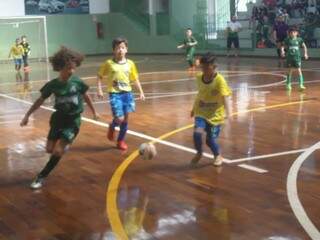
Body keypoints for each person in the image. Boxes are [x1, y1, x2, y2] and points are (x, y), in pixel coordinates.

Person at [20, 47, 99, 189]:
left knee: (57, 151)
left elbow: (86, 96)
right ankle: (64, 145)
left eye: (74, 68)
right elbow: (39, 100)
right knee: (49, 149)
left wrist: (94, 112)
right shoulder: (53, 85)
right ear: (60, 67)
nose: (72, 71)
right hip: (57, 120)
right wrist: (27, 115)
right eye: (69, 68)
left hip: (72, 121)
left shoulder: (77, 83)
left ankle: (41, 176)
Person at [96, 37, 145, 151]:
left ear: (126, 49)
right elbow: (99, 76)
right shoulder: (109, 63)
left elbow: (135, 79)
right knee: (120, 119)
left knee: (126, 120)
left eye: (123, 47)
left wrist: (141, 92)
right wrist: (99, 89)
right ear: (113, 50)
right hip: (115, 94)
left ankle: (120, 141)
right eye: (118, 48)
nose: (120, 50)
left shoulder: (131, 64)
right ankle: (112, 126)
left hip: (127, 94)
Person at [190, 52, 232, 167]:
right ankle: (199, 152)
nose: (203, 70)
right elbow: (200, 94)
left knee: (210, 140)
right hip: (201, 112)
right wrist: (193, 108)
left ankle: (218, 155)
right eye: (202, 67)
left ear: (213, 67)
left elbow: (225, 97)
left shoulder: (220, 80)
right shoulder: (199, 77)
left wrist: (229, 114)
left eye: (206, 68)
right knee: (197, 133)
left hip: (215, 115)